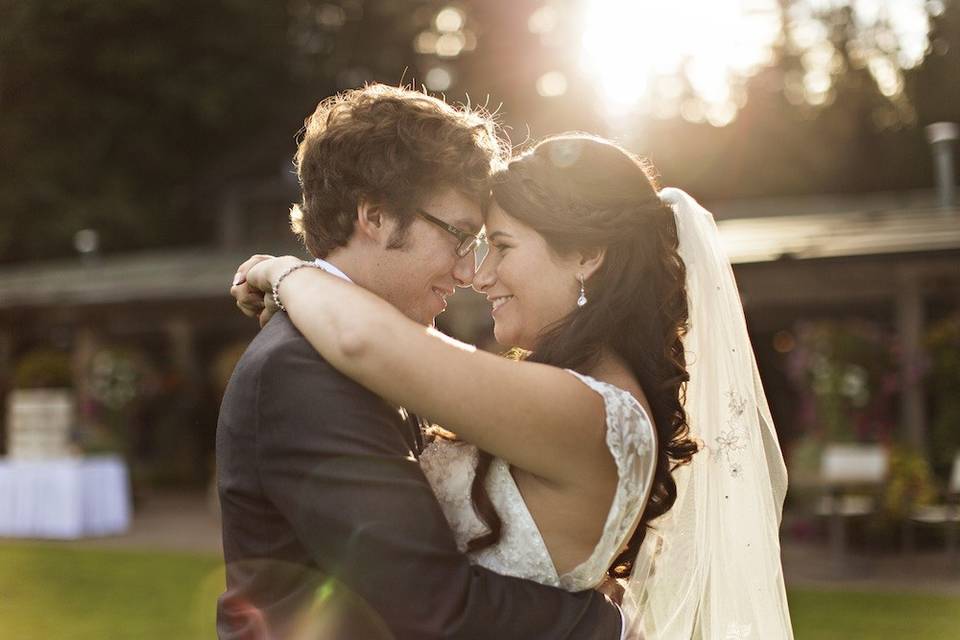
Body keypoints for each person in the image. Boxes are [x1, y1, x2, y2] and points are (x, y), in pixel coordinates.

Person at [233, 133, 795, 638]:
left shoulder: (592, 411)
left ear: (586, 254)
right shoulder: (569, 390)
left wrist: (284, 272)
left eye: (500, 247)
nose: (477, 275)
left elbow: (364, 343)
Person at [216, 86, 626, 640]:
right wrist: (608, 625)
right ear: (376, 216)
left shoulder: (383, 347)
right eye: (460, 237)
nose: (467, 273)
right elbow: (429, 608)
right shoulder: (301, 370)